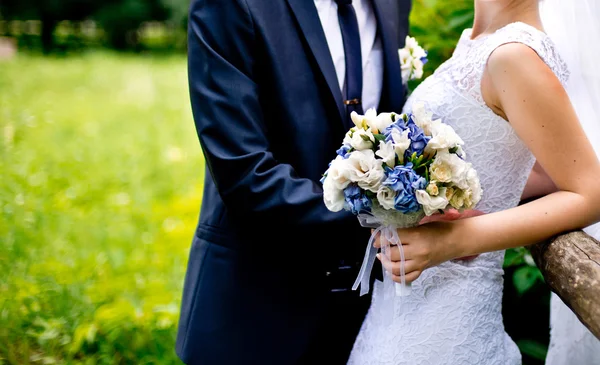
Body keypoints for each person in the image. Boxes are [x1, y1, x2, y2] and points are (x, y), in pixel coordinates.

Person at [347, 0, 600, 364]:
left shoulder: (514, 54)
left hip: (449, 318)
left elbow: (589, 192)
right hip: (401, 310)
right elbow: (533, 169)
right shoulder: (478, 41)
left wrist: (456, 238)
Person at [175, 1, 412, 364]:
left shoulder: (391, 4)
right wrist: (391, 219)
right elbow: (245, 173)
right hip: (258, 313)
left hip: (369, 322)